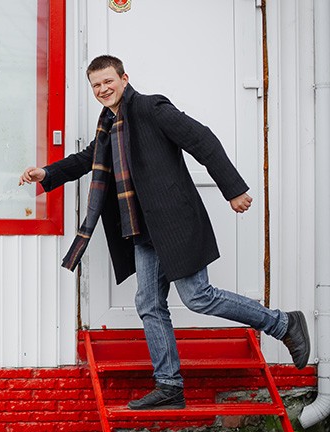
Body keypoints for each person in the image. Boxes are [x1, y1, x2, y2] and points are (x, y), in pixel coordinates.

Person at [19, 55, 311, 410]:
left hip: (174, 222)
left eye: (108, 81)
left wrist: (233, 189)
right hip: (143, 230)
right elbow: (88, 159)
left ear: (124, 78)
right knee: (149, 303)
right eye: (96, 85)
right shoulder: (109, 126)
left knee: (198, 296)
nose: (103, 89)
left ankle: (282, 323)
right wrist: (47, 174)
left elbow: (202, 139)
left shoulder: (150, 108)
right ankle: (169, 385)